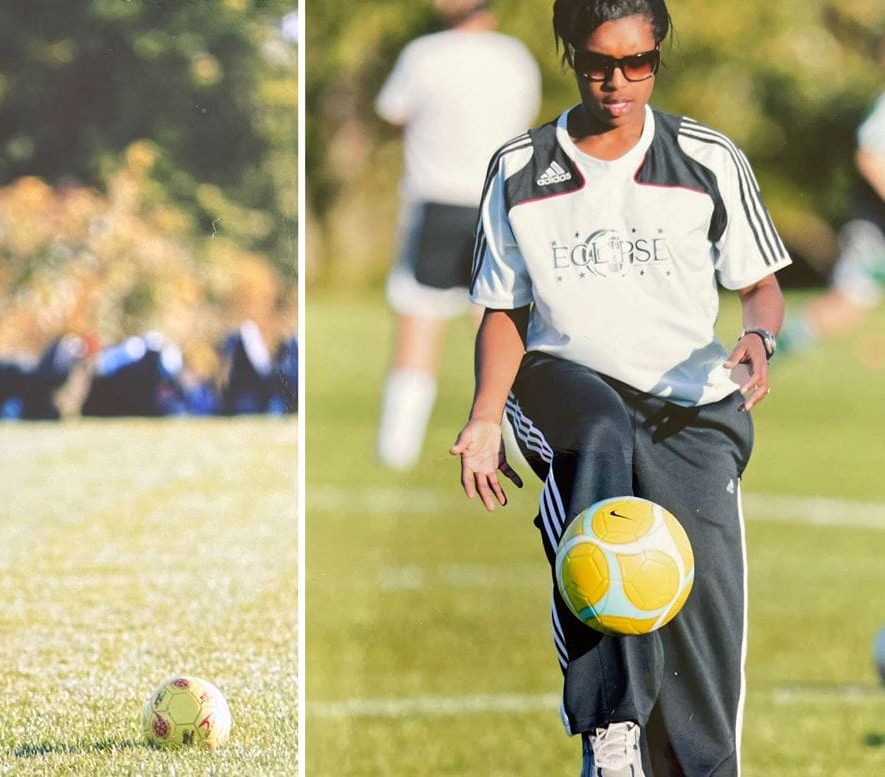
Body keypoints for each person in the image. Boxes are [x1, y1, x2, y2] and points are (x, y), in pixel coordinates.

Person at [449, 1, 789, 774]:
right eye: (600, 62)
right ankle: (611, 729)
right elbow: (502, 309)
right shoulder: (518, 168)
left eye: (638, 62)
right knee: (598, 435)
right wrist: (482, 416)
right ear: (570, 53)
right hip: (564, 383)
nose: (618, 81)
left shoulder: (708, 158)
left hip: (691, 407)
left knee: (705, 632)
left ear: (658, 56)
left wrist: (758, 336)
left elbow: (761, 285)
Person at [374, 0, 540, 469]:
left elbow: (393, 113)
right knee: (498, 321)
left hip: (436, 203)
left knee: (419, 320)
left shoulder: (423, 55)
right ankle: (521, 440)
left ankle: (397, 446)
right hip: (497, 206)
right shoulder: (516, 58)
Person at [778, 86, 885, 355]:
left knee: (848, 308)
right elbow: (869, 155)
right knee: (845, 307)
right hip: (876, 229)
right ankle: (762, 356)